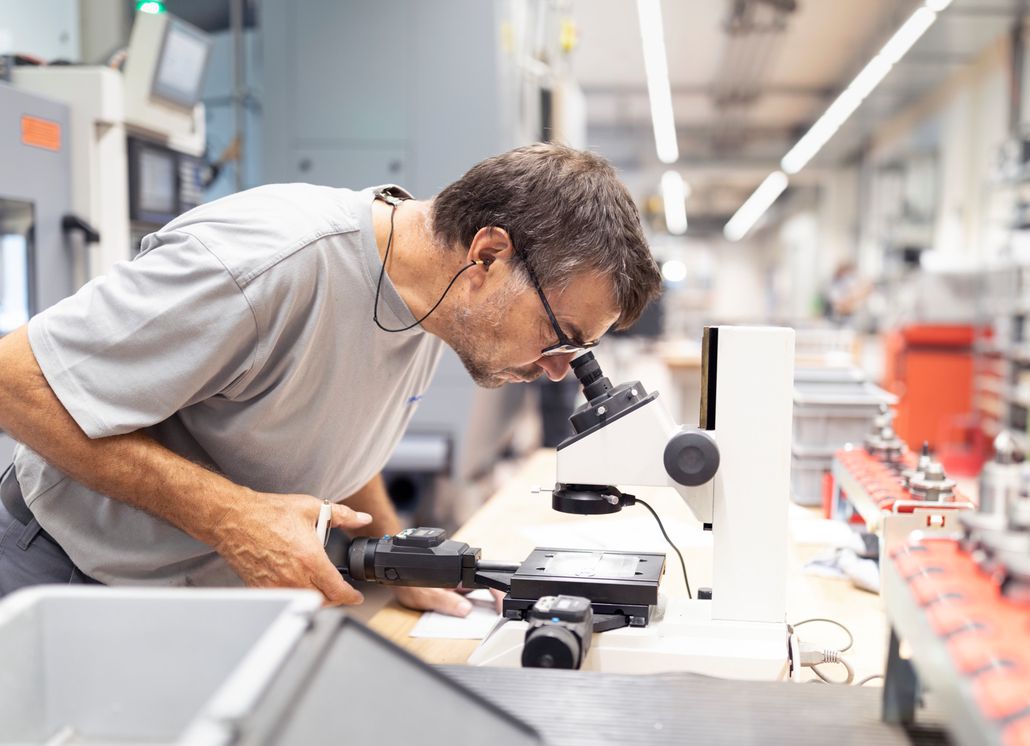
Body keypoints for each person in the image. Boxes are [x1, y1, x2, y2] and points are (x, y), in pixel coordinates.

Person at [0, 143, 660, 615]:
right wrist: (232, 519)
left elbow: (336, 425)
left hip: (192, 601)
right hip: (65, 571)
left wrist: (391, 550)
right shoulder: (266, 265)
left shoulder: (436, 298)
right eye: (561, 335)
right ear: (488, 255)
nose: (555, 368)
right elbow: (14, 378)